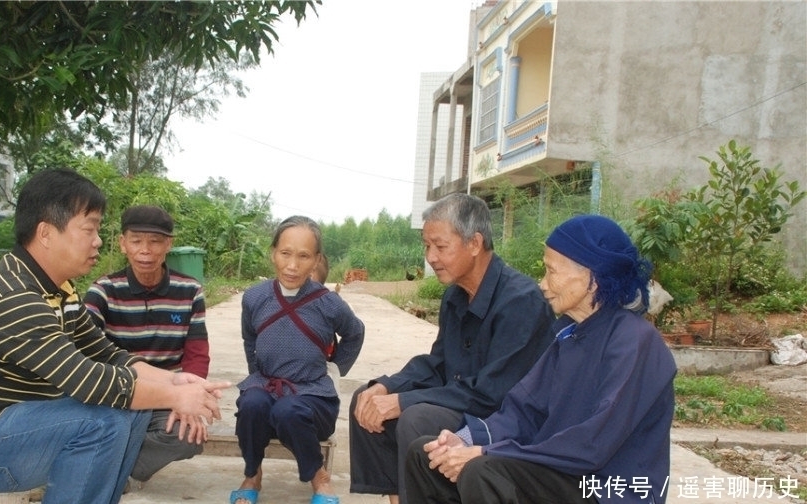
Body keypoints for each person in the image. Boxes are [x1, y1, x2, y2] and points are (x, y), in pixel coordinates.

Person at [0, 168, 229, 503]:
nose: (98, 240)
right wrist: (174, 397)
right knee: (103, 421)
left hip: (22, 422)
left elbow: (107, 355)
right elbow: (87, 381)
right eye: (89, 229)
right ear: (46, 233)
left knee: (130, 412)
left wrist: (177, 381)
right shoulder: (15, 296)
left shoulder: (59, 289)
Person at [403, 214, 677, 504]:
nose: (543, 284)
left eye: (551, 272)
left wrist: (487, 453)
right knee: (427, 457)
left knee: (485, 471)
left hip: (605, 490)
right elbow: (523, 412)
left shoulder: (635, 341)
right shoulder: (568, 334)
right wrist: (466, 441)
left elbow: (593, 443)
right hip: (559, 474)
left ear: (592, 279)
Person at [349, 193, 554, 504]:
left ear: (474, 243)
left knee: (416, 417)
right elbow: (439, 364)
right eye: (426, 246)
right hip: (464, 401)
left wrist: (403, 401)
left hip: (498, 419)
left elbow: (492, 394)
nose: (431, 257)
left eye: (440, 246)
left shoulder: (521, 301)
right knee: (367, 398)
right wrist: (388, 387)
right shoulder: (455, 295)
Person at [230, 215, 365, 504]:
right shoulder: (254, 297)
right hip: (268, 389)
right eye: (285, 253)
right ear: (273, 253)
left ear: (316, 260)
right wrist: (257, 374)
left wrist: (335, 370)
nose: (292, 265)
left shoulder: (329, 303)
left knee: (288, 410)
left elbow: (355, 333)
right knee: (251, 403)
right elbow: (249, 338)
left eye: (304, 256)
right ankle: (252, 474)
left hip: (313, 398)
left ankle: (319, 478)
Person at [84, 204, 210, 486]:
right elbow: (85, 352)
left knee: (190, 437)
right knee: (86, 428)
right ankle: (113, 467)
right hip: (119, 395)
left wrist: (188, 398)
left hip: (167, 394)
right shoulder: (103, 291)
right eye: (136, 241)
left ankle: (115, 470)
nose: (145, 250)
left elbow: (197, 354)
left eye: (155, 241)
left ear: (168, 245)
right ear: (123, 243)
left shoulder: (190, 290)